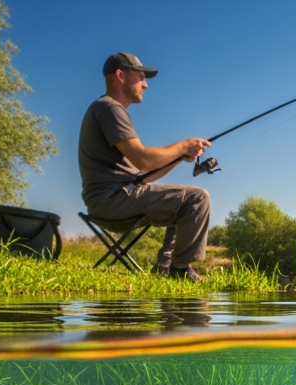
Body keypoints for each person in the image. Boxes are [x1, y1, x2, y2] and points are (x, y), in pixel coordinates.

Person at [78, 52, 212, 280]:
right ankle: (179, 270)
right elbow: (143, 159)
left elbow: (144, 176)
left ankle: (164, 267)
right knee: (197, 199)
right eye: (141, 77)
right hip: (112, 200)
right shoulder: (109, 108)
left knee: (184, 202)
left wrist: (180, 156)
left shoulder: (106, 109)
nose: (146, 84)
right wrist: (183, 146)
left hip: (112, 199)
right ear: (120, 75)